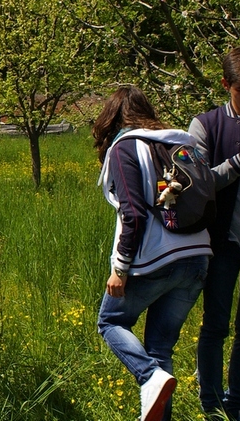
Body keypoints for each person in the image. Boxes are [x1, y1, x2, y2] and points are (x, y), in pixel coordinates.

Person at [93, 86, 212, 421]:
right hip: (198, 255)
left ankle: (149, 376)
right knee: (161, 349)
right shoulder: (181, 142)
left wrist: (120, 267)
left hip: (154, 259)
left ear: (111, 118)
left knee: (111, 321)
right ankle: (157, 387)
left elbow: (133, 214)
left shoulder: (125, 147)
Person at [191, 46, 240, 419]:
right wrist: (239, 162)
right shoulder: (206, 124)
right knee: (216, 326)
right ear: (226, 85)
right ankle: (211, 404)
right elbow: (197, 183)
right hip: (222, 242)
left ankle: (237, 400)